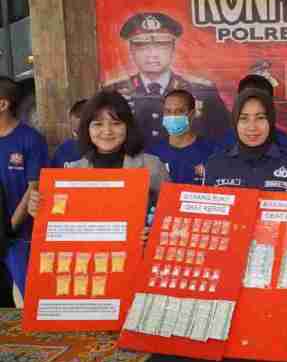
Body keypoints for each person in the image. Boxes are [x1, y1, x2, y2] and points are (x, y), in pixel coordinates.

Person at [29, 91, 170, 229]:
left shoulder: (152, 166)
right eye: (98, 124)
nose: (107, 131)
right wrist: (41, 209)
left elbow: (171, 215)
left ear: (128, 127)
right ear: (87, 129)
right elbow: (60, 218)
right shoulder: (73, 171)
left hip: (138, 245)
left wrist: (151, 233)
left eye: (116, 123)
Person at [103, 12, 230, 145]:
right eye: (142, 46)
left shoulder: (201, 90)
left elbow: (224, 136)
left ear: (173, 48)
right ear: (131, 50)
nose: (152, 54)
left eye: (161, 46)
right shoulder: (113, 91)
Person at [204, 88, 287, 192]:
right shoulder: (215, 164)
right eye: (244, 118)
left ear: (270, 121)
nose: (252, 127)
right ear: (235, 122)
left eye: (260, 118)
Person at [0, 77, 48, 296]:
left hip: (19, 237)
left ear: (3, 104)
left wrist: (8, 229)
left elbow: (34, 187)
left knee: (29, 295)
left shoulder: (30, 139)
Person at [146, 89, 221, 185]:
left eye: (179, 111)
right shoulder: (152, 153)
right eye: (168, 111)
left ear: (192, 114)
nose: (173, 116)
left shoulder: (211, 151)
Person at [217, 74, 287, 151]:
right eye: (248, 98)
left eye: (260, 117)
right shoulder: (224, 144)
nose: (252, 127)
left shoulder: (285, 143)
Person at [50, 99, 87, 168]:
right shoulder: (63, 151)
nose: (79, 138)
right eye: (75, 133)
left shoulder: (105, 149)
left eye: (85, 132)